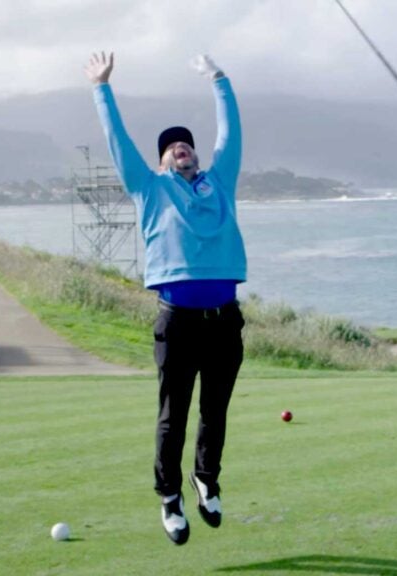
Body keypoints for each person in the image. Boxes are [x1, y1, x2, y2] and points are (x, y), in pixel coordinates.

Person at [85, 51, 247, 546]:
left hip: (225, 319)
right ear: (160, 161)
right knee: (173, 416)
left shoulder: (219, 183)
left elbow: (230, 136)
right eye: (171, 147)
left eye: (186, 145)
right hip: (177, 320)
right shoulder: (149, 189)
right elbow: (118, 144)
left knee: (214, 411)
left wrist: (219, 79)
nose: (181, 148)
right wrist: (102, 88)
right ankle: (170, 497)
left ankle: (206, 479)